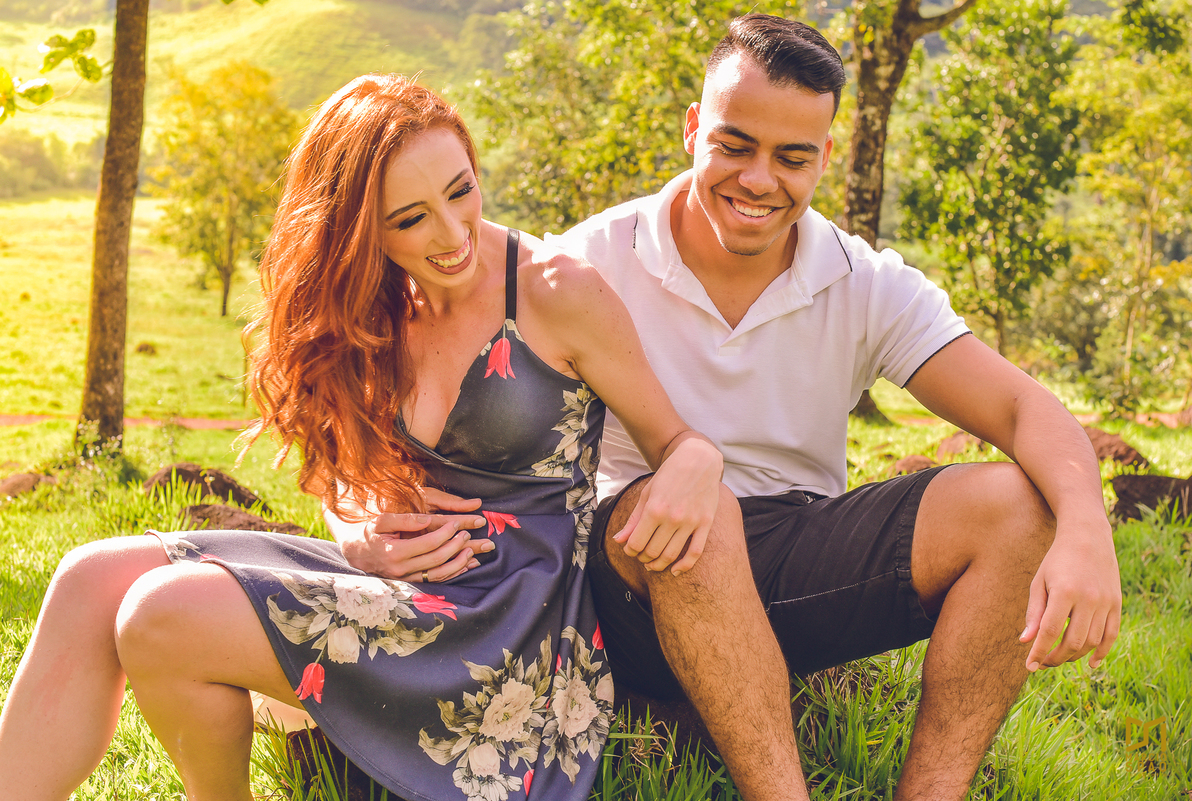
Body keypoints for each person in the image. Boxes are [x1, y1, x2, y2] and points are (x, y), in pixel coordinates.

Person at [0, 74, 732, 801]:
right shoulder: (366, 303)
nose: (452, 234)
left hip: (509, 625)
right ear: (358, 229)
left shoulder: (555, 290)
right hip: (397, 587)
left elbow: (675, 441)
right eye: (410, 219)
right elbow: (335, 475)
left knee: (161, 612)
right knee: (89, 577)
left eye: (462, 190)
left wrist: (698, 461)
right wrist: (357, 534)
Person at [544, 13, 1123, 801]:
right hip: (631, 587)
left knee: (1023, 505)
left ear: (824, 155)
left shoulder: (864, 281)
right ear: (692, 130)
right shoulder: (587, 264)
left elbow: (1025, 406)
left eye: (792, 157)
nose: (759, 180)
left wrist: (1086, 527)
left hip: (794, 566)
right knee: (698, 512)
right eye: (735, 145)